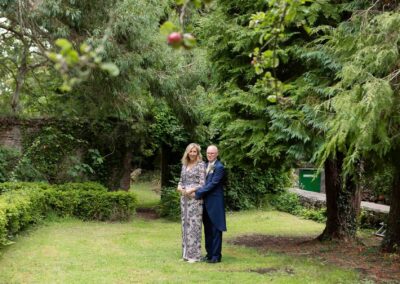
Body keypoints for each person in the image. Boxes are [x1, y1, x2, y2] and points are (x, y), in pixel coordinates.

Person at [193, 145, 226, 263]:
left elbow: (212, 184)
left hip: (215, 203)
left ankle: (216, 256)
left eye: (212, 153)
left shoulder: (219, 167)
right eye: (208, 153)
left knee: (216, 229)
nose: (210, 155)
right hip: (205, 203)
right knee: (207, 229)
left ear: (217, 154)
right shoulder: (205, 166)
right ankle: (209, 254)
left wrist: (197, 193)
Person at [177, 143, 206, 263]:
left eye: (195, 152)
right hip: (184, 199)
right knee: (185, 225)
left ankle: (194, 256)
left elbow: (202, 183)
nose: (193, 154)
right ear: (187, 152)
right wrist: (179, 187)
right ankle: (185, 254)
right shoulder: (185, 164)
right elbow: (181, 180)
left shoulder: (201, 165)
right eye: (191, 151)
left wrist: (192, 189)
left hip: (195, 199)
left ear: (198, 153)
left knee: (194, 226)